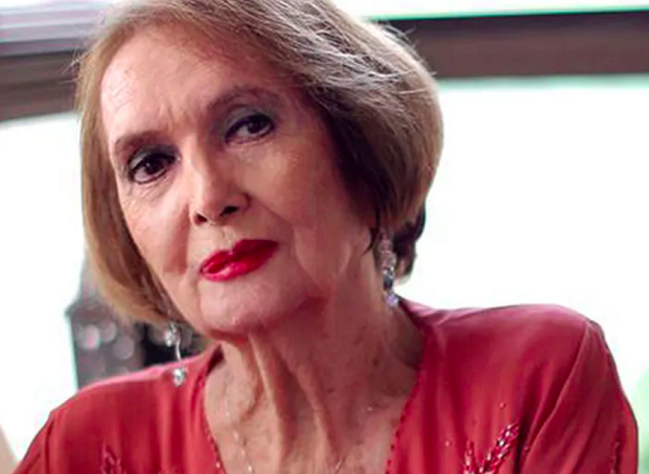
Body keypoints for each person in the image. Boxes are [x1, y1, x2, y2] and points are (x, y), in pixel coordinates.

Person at [14, 0, 637, 472]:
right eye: (151, 164)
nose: (207, 198)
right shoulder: (85, 447)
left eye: (248, 125)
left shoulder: (536, 376)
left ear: (359, 145)